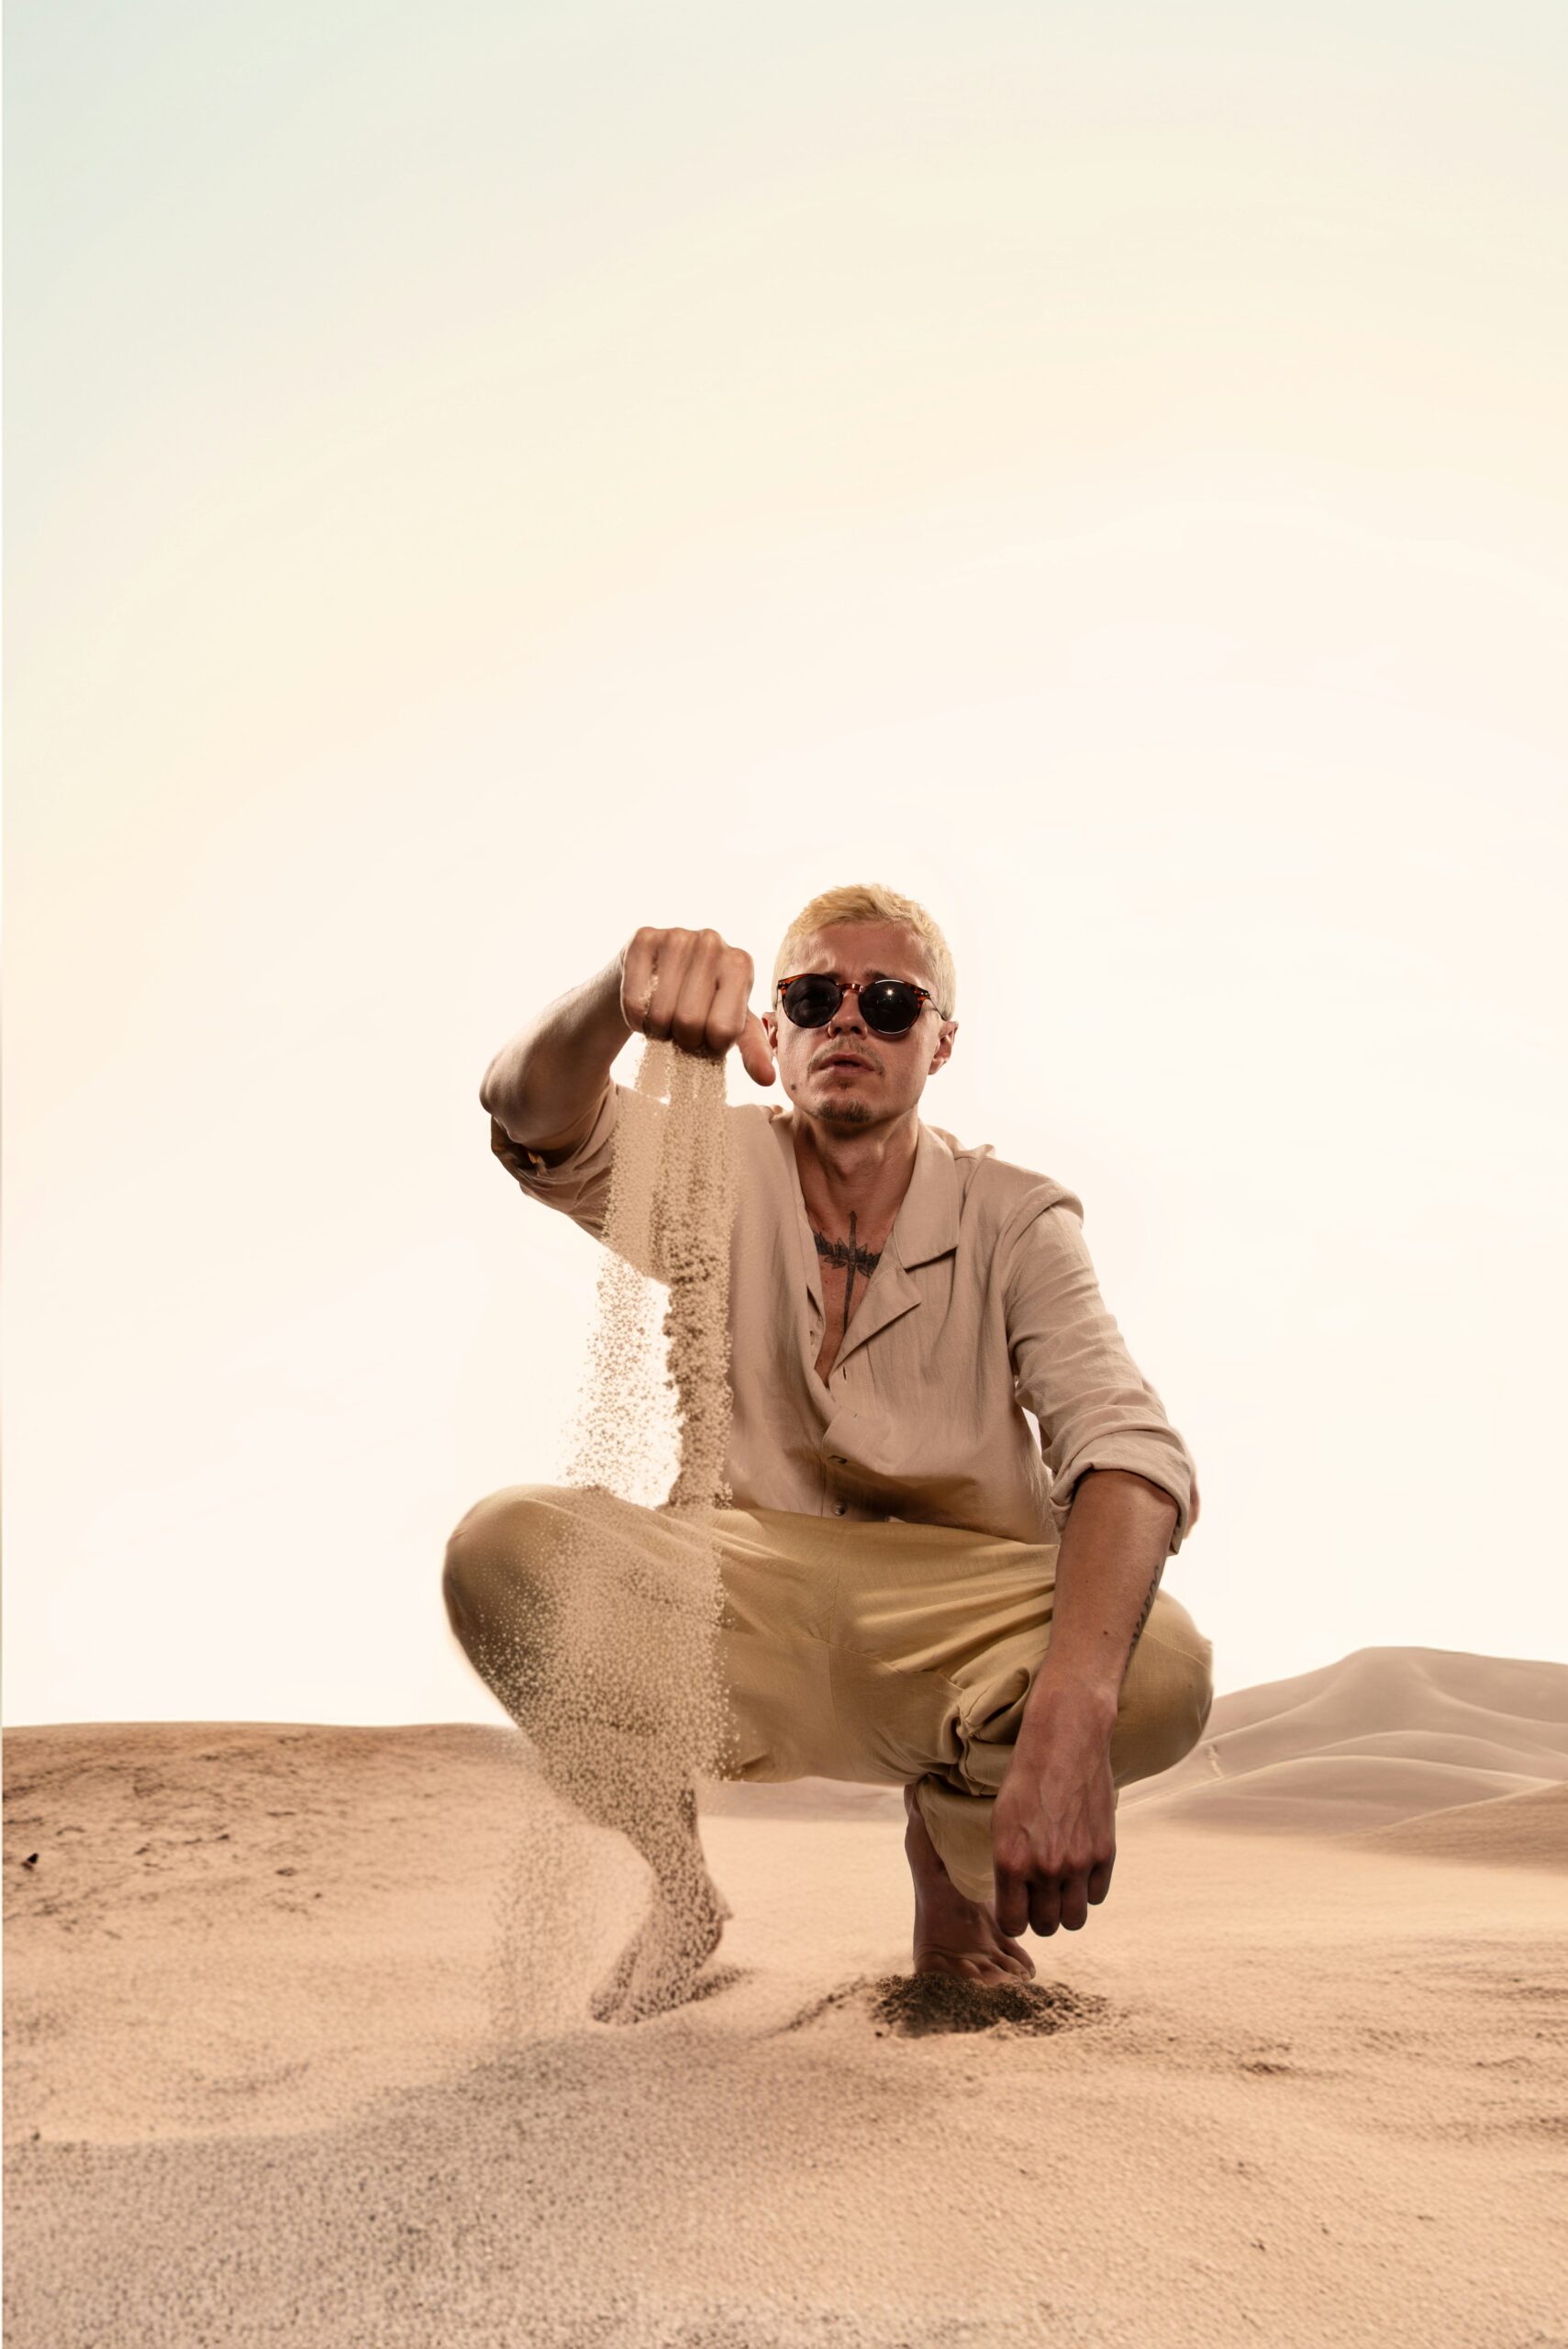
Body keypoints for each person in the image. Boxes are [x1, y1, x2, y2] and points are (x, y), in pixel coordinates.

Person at [443, 883, 1213, 2021]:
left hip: (951, 1632)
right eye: (812, 996)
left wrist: (1068, 1707)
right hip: (740, 1593)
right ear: (773, 1028)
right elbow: (530, 1114)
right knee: (502, 1550)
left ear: (939, 1039)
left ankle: (956, 1895)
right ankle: (676, 1887)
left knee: (1158, 1671)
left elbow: (1125, 1445)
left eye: (889, 1001)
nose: (847, 1021)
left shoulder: (1015, 1216)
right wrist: (619, 992)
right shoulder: (713, 1166)